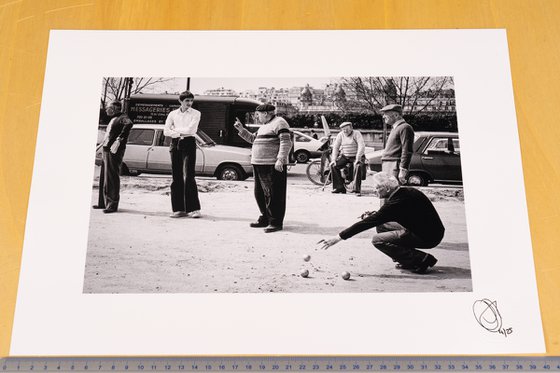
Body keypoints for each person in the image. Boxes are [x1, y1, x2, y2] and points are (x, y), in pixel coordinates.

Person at [318, 172, 444, 274]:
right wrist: (375, 215)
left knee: (378, 240)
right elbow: (392, 215)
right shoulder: (406, 192)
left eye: (377, 188)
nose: (374, 191)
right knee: (382, 226)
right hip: (431, 230)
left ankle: (421, 260)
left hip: (428, 237)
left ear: (387, 188)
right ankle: (406, 258)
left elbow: (367, 223)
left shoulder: (395, 203)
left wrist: (338, 237)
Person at [233, 103, 292, 233]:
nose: (257, 117)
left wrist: (280, 159)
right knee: (259, 194)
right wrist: (241, 130)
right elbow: (253, 139)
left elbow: (286, 142)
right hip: (259, 163)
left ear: (266, 113)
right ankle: (265, 218)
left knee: (273, 194)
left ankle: (275, 222)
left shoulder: (280, 122)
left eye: (258, 114)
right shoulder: (264, 126)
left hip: (271, 164)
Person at [164, 91, 202, 219]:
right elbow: (165, 131)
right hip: (175, 144)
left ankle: (194, 209)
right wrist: (178, 133)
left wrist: (175, 131)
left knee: (189, 176)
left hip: (189, 144)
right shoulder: (172, 114)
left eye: (191, 101)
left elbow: (191, 130)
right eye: (187, 101)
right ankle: (178, 209)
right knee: (176, 176)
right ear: (180, 101)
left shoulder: (196, 114)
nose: (190, 103)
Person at [93, 100, 133, 213]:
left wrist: (120, 138)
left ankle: (112, 204)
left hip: (114, 150)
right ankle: (103, 203)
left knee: (111, 177)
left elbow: (129, 123)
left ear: (115, 108)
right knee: (104, 176)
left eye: (108, 108)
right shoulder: (114, 118)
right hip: (107, 149)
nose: (106, 110)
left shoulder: (123, 117)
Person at [379, 104, 414, 184]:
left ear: (396, 115)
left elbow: (407, 150)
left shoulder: (405, 128)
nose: (383, 117)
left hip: (395, 165)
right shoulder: (396, 128)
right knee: (388, 191)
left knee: (394, 192)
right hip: (389, 164)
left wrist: (403, 169)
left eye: (385, 114)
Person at [329, 122, 366, 195]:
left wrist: (358, 158)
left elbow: (361, 146)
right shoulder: (340, 135)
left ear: (351, 128)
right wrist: (333, 159)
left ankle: (356, 190)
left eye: (347, 129)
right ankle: (339, 187)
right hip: (345, 156)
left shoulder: (356, 133)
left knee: (358, 166)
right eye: (343, 130)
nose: (345, 131)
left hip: (356, 156)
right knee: (333, 165)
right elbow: (336, 147)